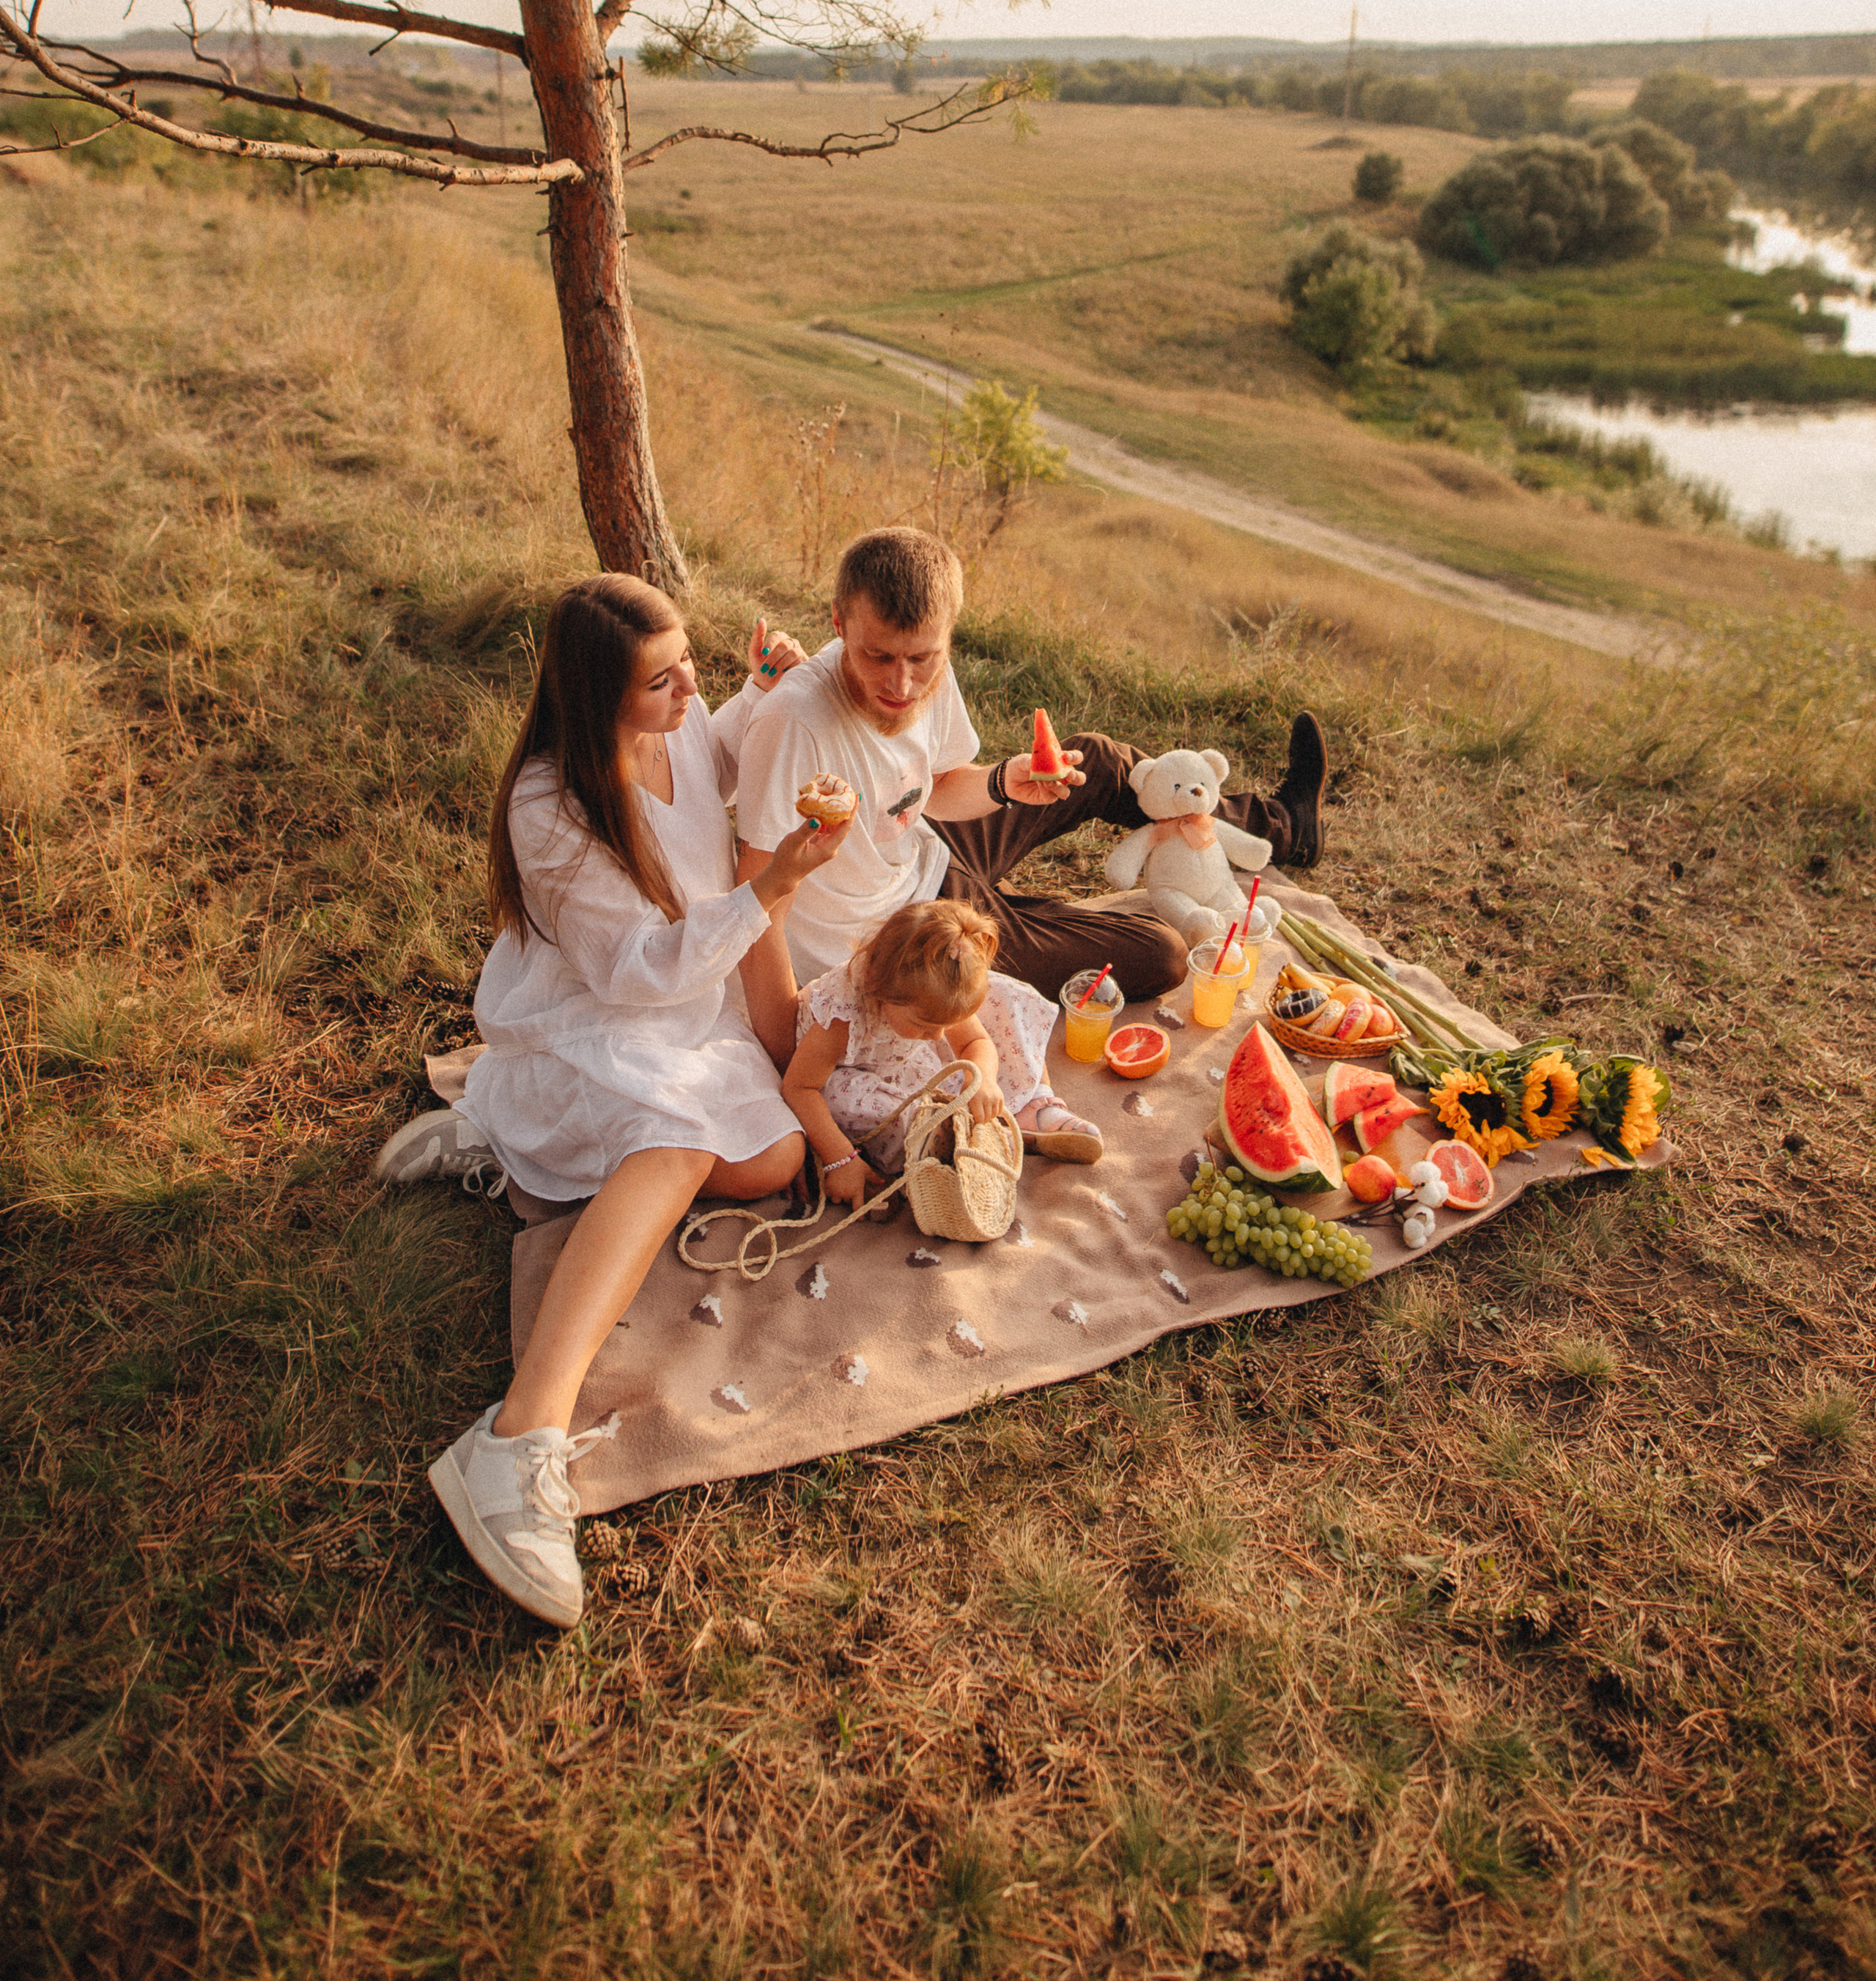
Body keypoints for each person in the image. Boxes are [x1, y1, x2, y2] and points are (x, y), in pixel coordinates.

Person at [372, 578, 847, 1630]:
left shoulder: (681, 728)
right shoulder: (547, 807)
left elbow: (718, 759)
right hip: (601, 1017)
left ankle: (498, 1130)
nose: (689, 688)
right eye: (662, 679)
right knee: (677, 1146)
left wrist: (760, 692)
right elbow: (636, 976)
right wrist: (770, 891)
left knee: (770, 1163)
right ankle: (515, 1442)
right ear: (596, 696)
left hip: (685, 1015)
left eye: (691, 664)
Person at [734, 523, 1330, 1012]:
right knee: (1163, 953)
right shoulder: (794, 722)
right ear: (838, 623)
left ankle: (1286, 826)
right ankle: (1019, 920)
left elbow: (935, 787)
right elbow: (758, 895)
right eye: (878, 656)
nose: (902, 683)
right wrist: (789, 1043)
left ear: (945, 636)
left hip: (926, 849)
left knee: (1093, 760)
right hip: (901, 934)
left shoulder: (922, 671)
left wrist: (1002, 781)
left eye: (923, 657)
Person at [784, 899, 1101, 1199]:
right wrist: (840, 1158)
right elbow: (800, 1088)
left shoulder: (932, 995)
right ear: (882, 990)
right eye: (925, 1025)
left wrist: (984, 1079)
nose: (938, 1037)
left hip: (908, 1059)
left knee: (1005, 999)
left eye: (943, 1026)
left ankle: (1031, 1102)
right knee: (849, 1101)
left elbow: (975, 1042)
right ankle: (948, 1142)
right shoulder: (841, 1016)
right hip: (854, 1073)